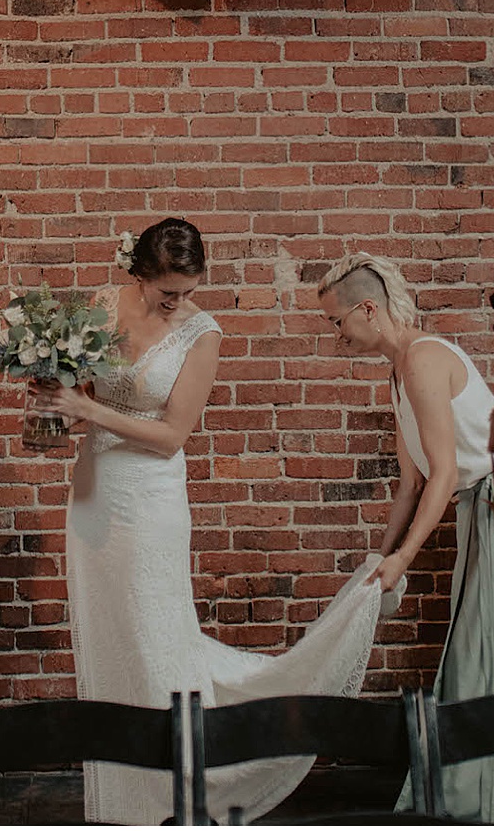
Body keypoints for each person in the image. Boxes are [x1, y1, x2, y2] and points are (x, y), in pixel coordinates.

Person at [32, 219, 394, 825]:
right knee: (109, 634)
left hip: (151, 499)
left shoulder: (203, 332)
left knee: (157, 636)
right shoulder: (99, 307)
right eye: (167, 291)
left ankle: (186, 790)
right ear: (140, 273)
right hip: (95, 492)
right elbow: (88, 399)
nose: (178, 302)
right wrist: (59, 414)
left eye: (187, 290)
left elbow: (172, 435)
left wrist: (89, 407)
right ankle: (125, 803)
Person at [318, 256, 494, 819]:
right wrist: (383, 553)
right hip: (484, 508)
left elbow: (444, 474)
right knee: (488, 642)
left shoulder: (424, 360)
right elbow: (411, 483)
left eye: (337, 320)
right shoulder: (398, 371)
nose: (337, 334)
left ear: (369, 309)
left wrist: (405, 560)